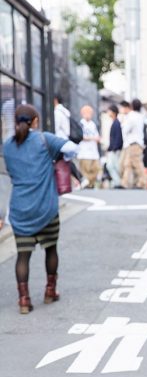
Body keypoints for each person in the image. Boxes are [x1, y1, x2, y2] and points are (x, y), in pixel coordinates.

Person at [3, 104, 79, 313]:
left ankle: (24, 300)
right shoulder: (45, 139)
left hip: (20, 210)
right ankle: (49, 291)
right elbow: (72, 148)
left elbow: (10, 172)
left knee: (22, 255)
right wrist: (59, 158)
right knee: (51, 249)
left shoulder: (7, 145)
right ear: (35, 121)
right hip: (46, 207)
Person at [120, 98, 146, 189]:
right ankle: (126, 182)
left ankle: (142, 182)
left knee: (136, 163)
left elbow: (125, 128)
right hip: (138, 142)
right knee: (128, 163)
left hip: (132, 142)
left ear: (131, 106)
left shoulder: (131, 116)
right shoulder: (140, 116)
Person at [78, 105, 101, 188]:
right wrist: (92, 138)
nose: (88, 114)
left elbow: (97, 137)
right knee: (85, 170)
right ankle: (86, 184)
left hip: (93, 151)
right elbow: (81, 137)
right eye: (86, 112)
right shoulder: (81, 124)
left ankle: (90, 184)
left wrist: (94, 138)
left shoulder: (93, 124)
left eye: (90, 113)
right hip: (84, 151)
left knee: (96, 169)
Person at [106, 104, 123, 188]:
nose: (108, 112)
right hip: (114, 148)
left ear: (113, 112)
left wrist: (114, 148)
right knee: (113, 166)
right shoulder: (115, 122)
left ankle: (118, 182)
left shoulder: (116, 123)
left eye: (109, 111)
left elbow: (118, 137)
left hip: (115, 149)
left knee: (113, 166)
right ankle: (117, 182)